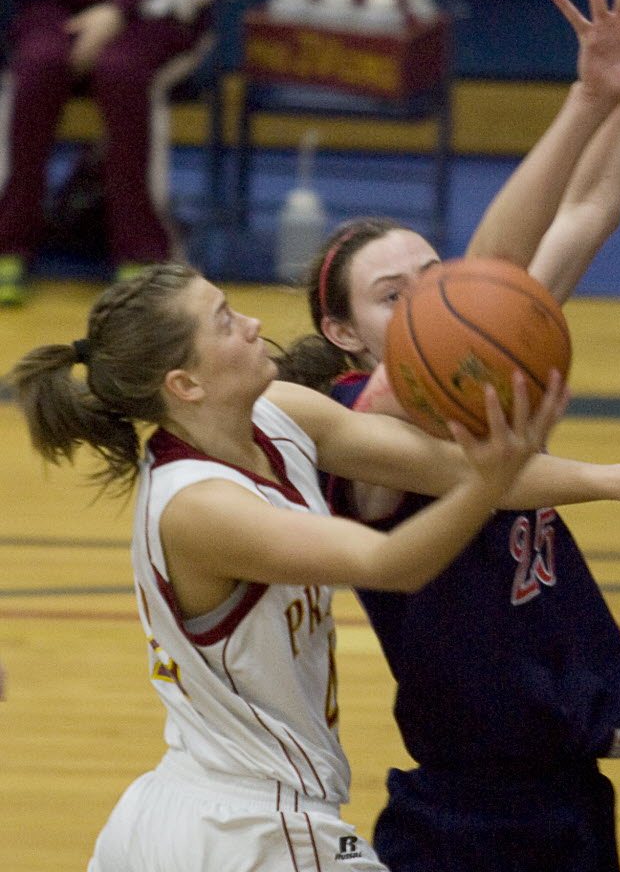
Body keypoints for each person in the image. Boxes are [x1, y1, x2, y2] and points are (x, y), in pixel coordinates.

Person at [275, 0, 620, 872]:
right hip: (468, 811)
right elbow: (494, 293)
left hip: (569, 784)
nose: (436, 298)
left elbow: (590, 208)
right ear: (342, 331)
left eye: (437, 276)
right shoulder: (369, 419)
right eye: (396, 292)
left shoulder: (483, 351)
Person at [10, 262, 572, 872]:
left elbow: (446, 467)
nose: (253, 325)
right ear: (186, 384)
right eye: (225, 322)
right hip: (259, 830)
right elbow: (392, 562)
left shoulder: (276, 415)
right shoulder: (202, 507)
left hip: (184, 812)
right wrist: (490, 481)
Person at [0, 0, 237, 304]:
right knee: (35, 66)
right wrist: (90, 7)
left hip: (161, 13)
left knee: (123, 73)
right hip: (61, 6)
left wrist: (120, 11)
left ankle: (143, 255)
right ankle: (9, 242)